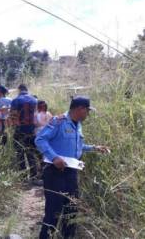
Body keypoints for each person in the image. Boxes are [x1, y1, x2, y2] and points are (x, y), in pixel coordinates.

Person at [35, 96, 110, 239]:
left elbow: (77, 146)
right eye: (87, 111)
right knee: (53, 212)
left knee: (71, 209)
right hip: (55, 172)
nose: (88, 114)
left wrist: (94, 148)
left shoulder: (78, 124)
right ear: (80, 109)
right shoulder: (59, 121)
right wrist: (54, 157)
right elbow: (40, 139)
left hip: (71, 172)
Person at [10, 84, 38, 180]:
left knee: (20, 153)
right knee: (31, 154)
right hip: (31, 131)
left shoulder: (16, 100)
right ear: (27, 89)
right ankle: (34, 176)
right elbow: (36, 117)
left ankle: (23, 177)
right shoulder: (34, 100)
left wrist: (13, 127)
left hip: (20, 130)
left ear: (19, 90)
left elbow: (13, 116)